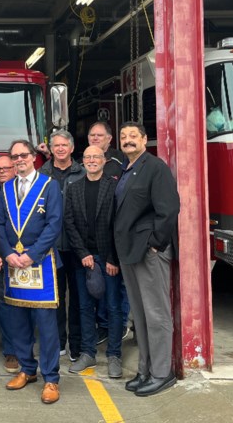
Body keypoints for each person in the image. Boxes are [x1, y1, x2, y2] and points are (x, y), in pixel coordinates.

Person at [114, 122, 180, 397]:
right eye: (123, 137)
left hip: (148, 253)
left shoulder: (156, 167)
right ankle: (145, 370)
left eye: (133, 136)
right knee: (140, 316)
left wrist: (155, 245)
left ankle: (162, 373)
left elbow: (169, 208)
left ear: (144, 139)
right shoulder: (126, 170)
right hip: (129, 252)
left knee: (157, 315)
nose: (128, 140)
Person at [0, 140, 64, 405]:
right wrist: (7, 252)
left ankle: (51, 378)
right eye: (14, 157)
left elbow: (54, 224)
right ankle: (27, 369)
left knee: (46, 326)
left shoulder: (50, 186)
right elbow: (0, 224)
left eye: (23, 155)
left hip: (41, 263)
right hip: (14, 263)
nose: (19, 160)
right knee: (17, 321)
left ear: (34, 157)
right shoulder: (6, 188)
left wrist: (31, 254)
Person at [64, 145, 124, 379]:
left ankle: (114, 355)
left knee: (112, 307)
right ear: (83, 161)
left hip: (108, 258)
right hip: (84, 258)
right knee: (85, 307)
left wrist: (112, 258)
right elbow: (69, 223)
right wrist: (82, 254)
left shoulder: (114, 187)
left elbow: (118, 225)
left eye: (95, 157)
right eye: (87, 157)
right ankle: (88, 353)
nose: (91, 160)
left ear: (104, 160)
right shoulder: (73, 188)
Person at [38, 129, 85, 363]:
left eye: (64, 145)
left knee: (78, 298)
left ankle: (76, 345)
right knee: (55, 300)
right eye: (56, 145)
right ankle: (59, 342)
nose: (60, 149)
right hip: (51, 248)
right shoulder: (42, 175)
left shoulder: (83, 173)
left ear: (72, 148)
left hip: (76, 248)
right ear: (51, 149)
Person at [87, 120, 131, 341]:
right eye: (92, 135)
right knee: (100, 287)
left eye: (99, 135)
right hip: (94, 241)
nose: (95, 138)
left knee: (118, 287)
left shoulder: (119, 162)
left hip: (115, 236)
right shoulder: (85, 162)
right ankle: (104, 325)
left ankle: (121, 325)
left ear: (109, 139)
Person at [0, 155, 20, 374]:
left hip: (20, 256)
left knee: (22, 305)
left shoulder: (24, 192)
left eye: (6, 168)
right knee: (3, 307)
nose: (1, 172)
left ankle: (23, 346)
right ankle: (11, 351)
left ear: (15, 169)